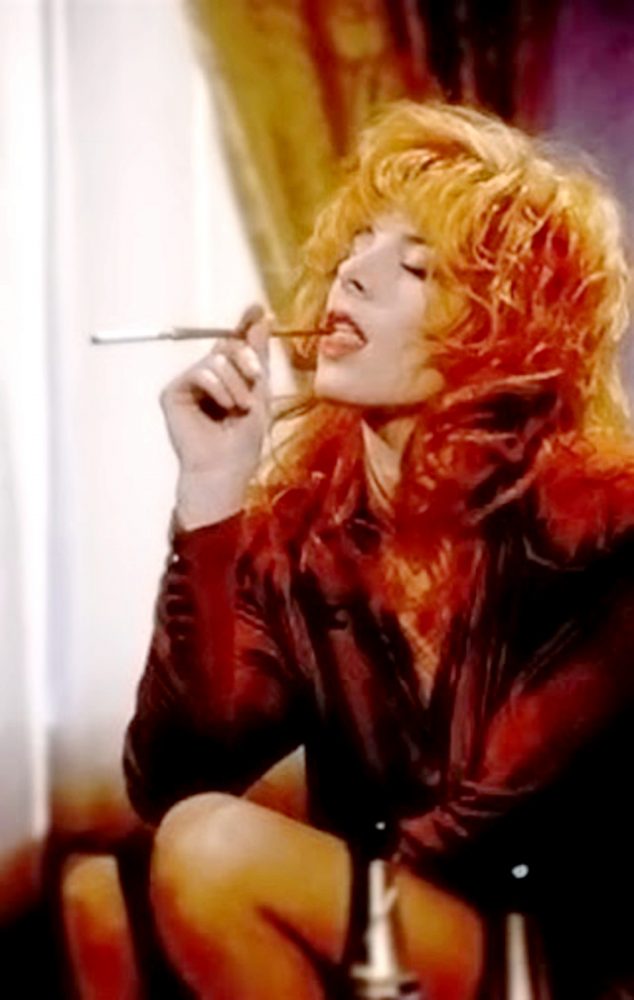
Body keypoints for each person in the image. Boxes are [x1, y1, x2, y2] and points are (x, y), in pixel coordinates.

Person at [123, 102, 634, 999]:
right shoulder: (305, 540)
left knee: (211, 853)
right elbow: (176, 780)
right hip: (396, 940)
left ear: (503, 333)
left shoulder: (606, 532)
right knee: (121, 886)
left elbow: (489, 828)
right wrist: (210, 493)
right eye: (358, 247)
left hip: (563, 962)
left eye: (417, 267)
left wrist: (307, 917)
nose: (351, 274)